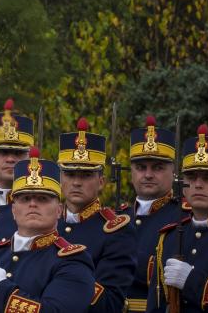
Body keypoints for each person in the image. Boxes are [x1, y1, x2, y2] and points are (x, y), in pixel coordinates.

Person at [0, 147, 95, 313]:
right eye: (25, 198)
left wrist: (0, 289)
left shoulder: (73, 261)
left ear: (59, 210)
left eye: (42, 198)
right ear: (13, 210)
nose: (33, 203)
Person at [57, 117, 136, 312]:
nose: (76, 182)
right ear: (60, 178)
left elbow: (110, 302)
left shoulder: (115, 231)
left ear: (101, 182)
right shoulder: (47, 223)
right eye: (69, 174)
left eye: (85, 175)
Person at [121, 115, 188, 312]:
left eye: (157, 167)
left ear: (173, 171)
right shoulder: (118, 217)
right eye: (141, 167)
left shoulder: (184, 218)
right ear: (131, 171)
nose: (148, 174)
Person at [147, 124, 208, 313]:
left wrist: (192, 282)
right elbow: (155, 305)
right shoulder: (169, 236)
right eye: (191, 176)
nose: (198, 185)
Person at [0, 98, 34, 238]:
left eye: (18, 153)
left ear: (30, 159)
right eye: (3, 152)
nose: (10, 159)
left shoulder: (41, 210)